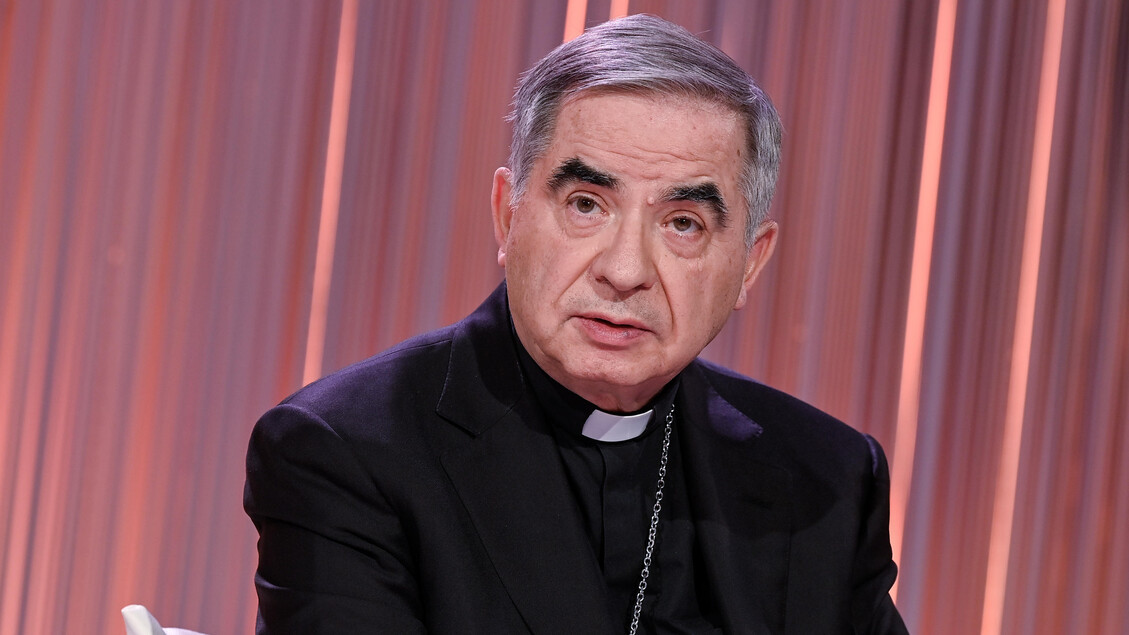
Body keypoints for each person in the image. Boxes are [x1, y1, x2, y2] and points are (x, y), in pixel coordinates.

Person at [245, 14, 908, 634]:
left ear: (749, 264)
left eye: (683, 223)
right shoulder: (346, 451)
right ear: (508, 215)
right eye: (586, 204)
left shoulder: (827, 479)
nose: (624, 270)